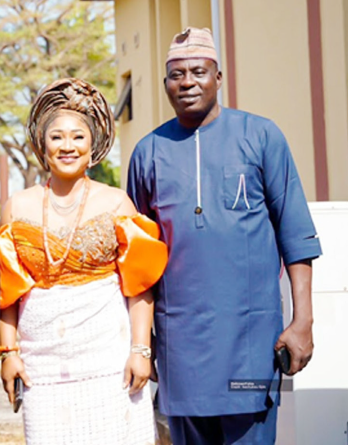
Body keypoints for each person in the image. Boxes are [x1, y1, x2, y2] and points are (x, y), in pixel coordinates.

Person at [127, 28, 322, 444]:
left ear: (219, 76)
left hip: (249, 345)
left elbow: (296, 235)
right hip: (179, 347)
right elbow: (134, 263)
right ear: (165, 85)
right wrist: (142, 344)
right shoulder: (148, 152)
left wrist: (302, 320)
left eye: (199, 71)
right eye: (176, 75)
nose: (187, 83)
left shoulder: (261, 136)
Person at [0, 78, 168, 444]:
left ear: (93, 147)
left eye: (78, 137)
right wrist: (8, 353)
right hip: (41, 368)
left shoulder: (117, 203)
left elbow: (139, 285)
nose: (67, 146)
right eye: (57, 137)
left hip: (109, 364)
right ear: (43, 146)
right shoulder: (17, 206)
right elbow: (7, 291)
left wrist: (141, 350)